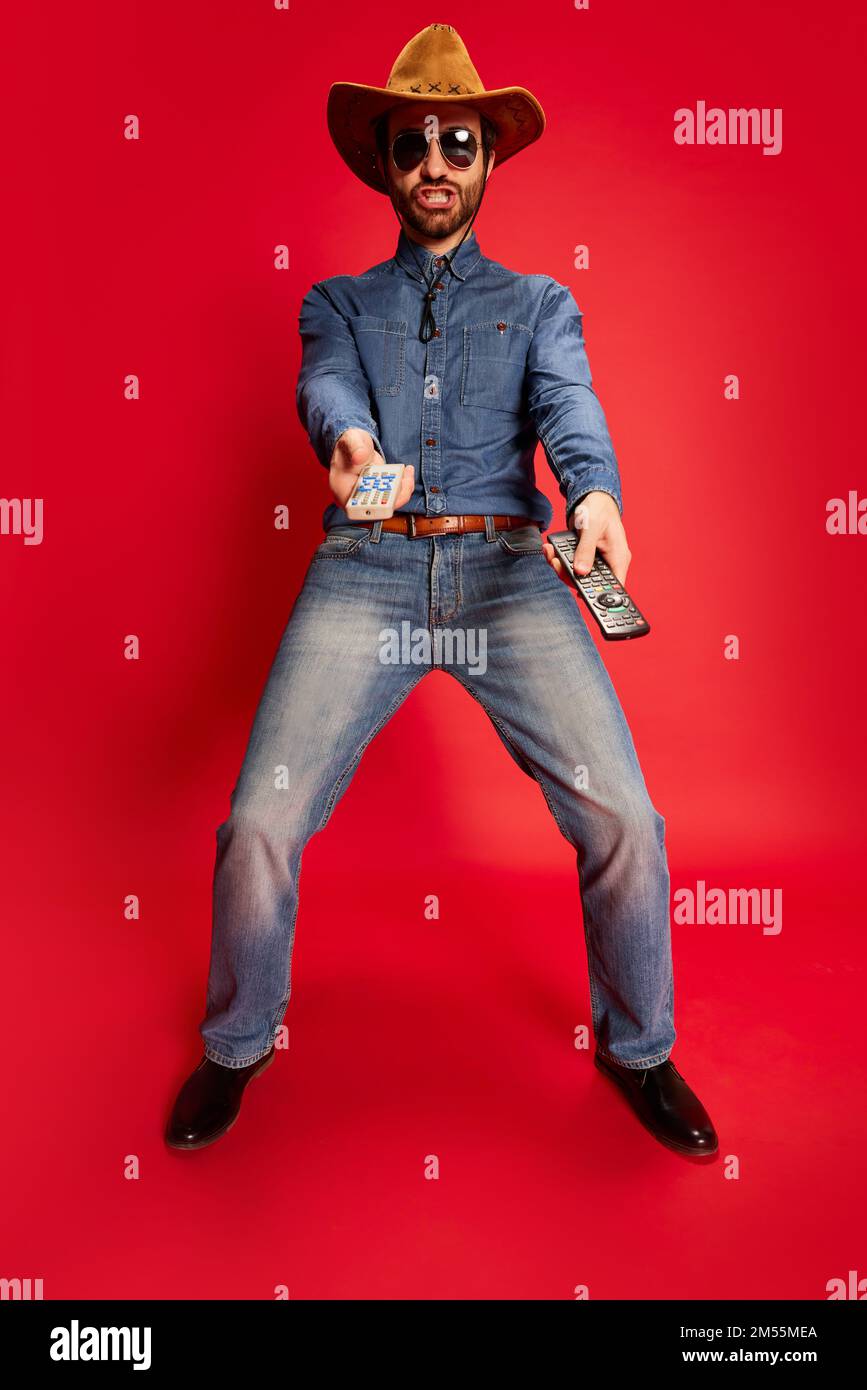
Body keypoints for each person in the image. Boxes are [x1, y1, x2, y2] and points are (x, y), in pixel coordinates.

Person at [166, 23, 717, 1159]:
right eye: (411, 141)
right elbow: (326, 386)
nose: (434, 161)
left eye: (455, 140)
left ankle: (641, 1048)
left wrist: (597, 498)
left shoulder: (543, 303)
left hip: (507, 574)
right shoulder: (336, 300)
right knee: (259, 820)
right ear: (386, 161)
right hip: (363, 572)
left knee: (625, 817)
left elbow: (569, 405)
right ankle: (238, 1041)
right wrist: (355, 444)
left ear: (485, 161)